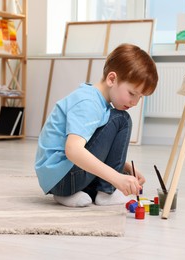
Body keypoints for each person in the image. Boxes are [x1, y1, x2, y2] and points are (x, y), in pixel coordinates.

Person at [35, 43, 158, 207]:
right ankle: (106, 193)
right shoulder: (89, 103)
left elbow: (91, 144)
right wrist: (116, 178)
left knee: (116, 119)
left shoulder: (97, 100)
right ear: (112, 79)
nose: (135, 102)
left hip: (59, 178)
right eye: (132, 93)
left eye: (140, 97)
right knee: (121, 120)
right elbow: (73, 150)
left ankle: (69, 193)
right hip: (63, 178)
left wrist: (124, 167)